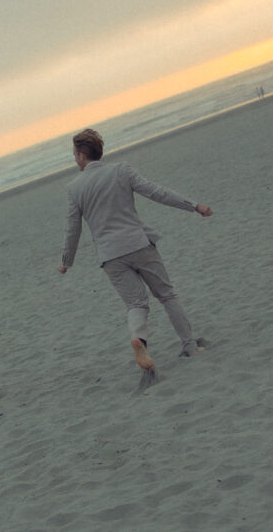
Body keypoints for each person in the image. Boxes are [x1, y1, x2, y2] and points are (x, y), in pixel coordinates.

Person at [57, 129, 212, 380]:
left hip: (111, 256)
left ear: (82, 155)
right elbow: (156, 192)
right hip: (139, 244)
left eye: (75, 154)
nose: (75, 158)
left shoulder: (74, 188)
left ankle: (139, 340)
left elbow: (72, 230)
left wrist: (66, 262)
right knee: (167, 295)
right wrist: (194, 206)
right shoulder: (121, 170)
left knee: (136, 305)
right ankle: (190, 347)